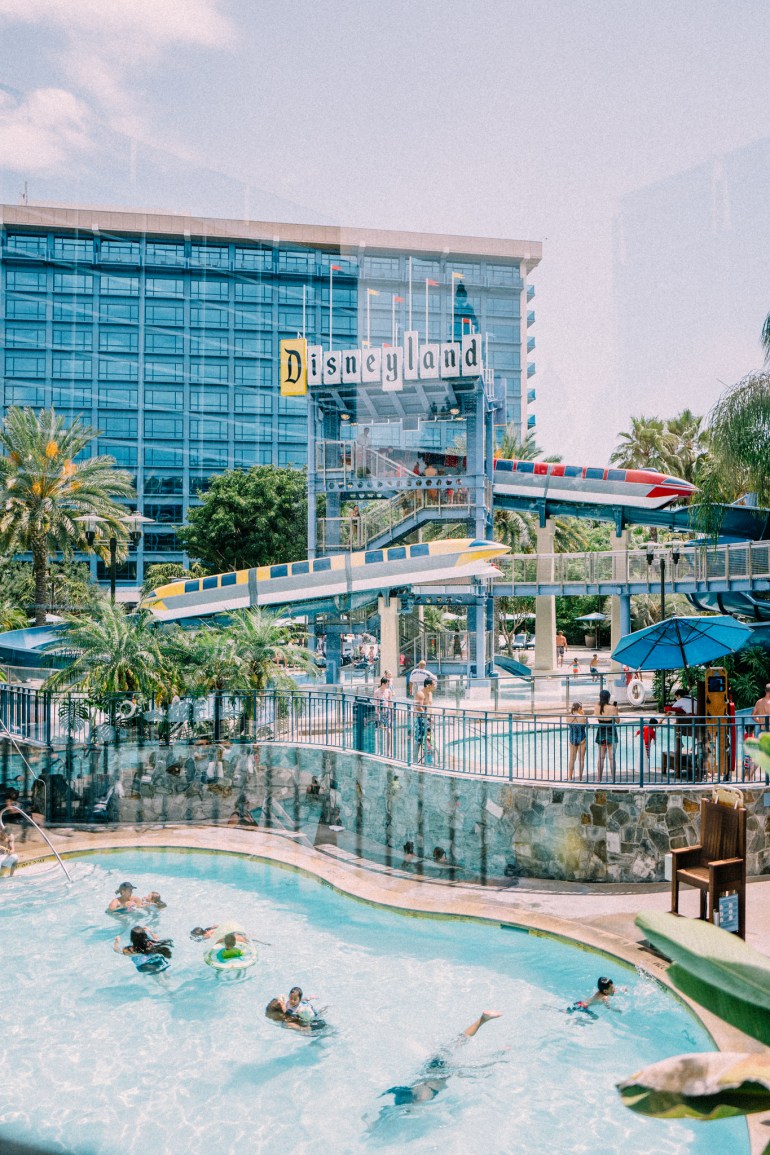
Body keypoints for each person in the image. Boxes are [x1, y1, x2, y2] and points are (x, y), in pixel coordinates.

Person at [380, 1011, 502, 1107]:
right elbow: (395, 1091)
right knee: (460, 1045)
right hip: (432, 1065)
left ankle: (500, 1051)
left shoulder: (422, 1097)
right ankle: (484, 1022)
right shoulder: (413, 1090)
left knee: (478, 1068)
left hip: (439, 1073)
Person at [594, 690, 619, 782]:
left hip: (601, 732)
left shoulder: (596, 707)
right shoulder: (612, 708)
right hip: (611, 732)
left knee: (601, 757)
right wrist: (616, 709)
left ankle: (599, 778)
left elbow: (598, 717)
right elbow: (617, 721)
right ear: (608, 697)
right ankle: (613, 779)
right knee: (612, 758)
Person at [567, 703, 587, 781]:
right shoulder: (582, 717)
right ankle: (580, 778)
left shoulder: (568, 717)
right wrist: (583, 715)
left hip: (572, 738)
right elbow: (587, 726)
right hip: (582, 738)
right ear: (579, 708)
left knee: (572, 759)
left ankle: (569, 777)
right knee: (581, 759)